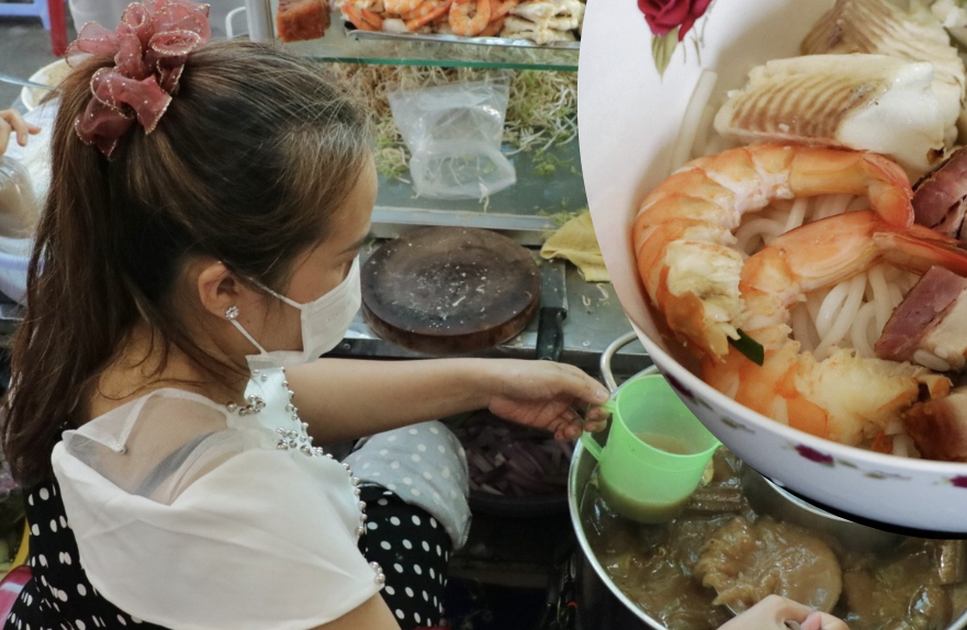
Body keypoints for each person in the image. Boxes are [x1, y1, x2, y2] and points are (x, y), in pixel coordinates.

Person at [0, 3, 851, 629]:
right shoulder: (247, 510)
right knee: (423, 485)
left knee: (427, 438)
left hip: (84, 598)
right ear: (225, 290)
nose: (361, 274)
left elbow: (269, 391)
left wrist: (483, 379)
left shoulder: (110, 311)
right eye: (343, 257)